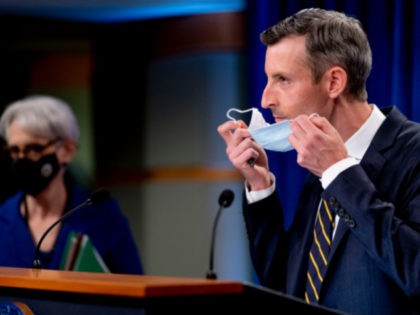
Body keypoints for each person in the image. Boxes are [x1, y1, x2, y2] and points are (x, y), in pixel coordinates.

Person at [217, 8, 420, 315]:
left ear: (334, 82)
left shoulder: (411, 151)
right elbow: (285, 287)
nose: (265, 99)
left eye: (282, 79)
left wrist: (340, 173)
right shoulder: (318, 166)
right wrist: (260, 187)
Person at [0, 95, 144, 275]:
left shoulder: (102, 215)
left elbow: (134, 287)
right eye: (14, 150)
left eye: (34, 149)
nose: (21, 159)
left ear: (67, 150)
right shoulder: (3, 219)